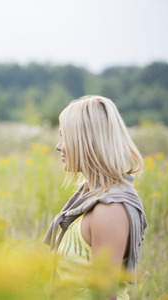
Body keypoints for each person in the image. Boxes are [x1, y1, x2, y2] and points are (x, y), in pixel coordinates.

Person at [43, 95, 147, 299]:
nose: (59, 146)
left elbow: (105, 294)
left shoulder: (110, 209)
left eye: (65, 137)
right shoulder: (88, 200)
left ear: (86, 142)